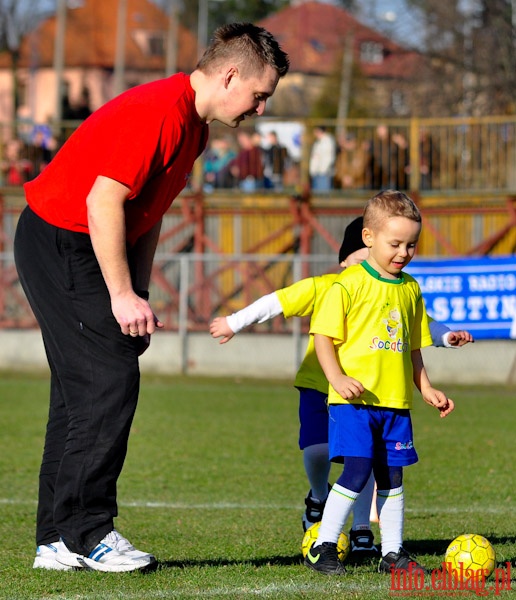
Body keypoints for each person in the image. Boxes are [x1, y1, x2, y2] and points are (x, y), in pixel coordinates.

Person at [14, 22, 289, 573]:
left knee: (78, 393)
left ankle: (56, 539)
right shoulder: (162, 110)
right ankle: (87, 533)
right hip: (64, 238)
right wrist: (119, 294)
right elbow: (103, 202)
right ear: (230, 75)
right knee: (107, 381)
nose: (261, 109)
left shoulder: (195, 127)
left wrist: (136, 291)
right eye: (260, 95)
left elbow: (148, 215)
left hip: (80, 241)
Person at [209, 215, 472, 557]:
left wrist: (447, 338)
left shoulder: (400, 287)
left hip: (369, 394)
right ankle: (318, 496)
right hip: (321, 388)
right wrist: (233, 321)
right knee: (321, 453)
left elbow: (417, 326)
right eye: (363, 256)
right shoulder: (331, 287)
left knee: (359, 462)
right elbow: (277, 301)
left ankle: (362, 529)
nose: (373, 263)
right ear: (345, 259)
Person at [305, 190, 454, 576]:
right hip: (353, 402)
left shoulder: (410, 289)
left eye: (411, 244)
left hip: (395, 404)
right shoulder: (348, 285)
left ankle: (393, 553)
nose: (403, 252)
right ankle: (325, 546)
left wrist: (427, 389)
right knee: (357, 471)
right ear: (368, 238)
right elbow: (323, 337)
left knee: (393, 476)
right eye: (395, 243)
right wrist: (336, 377)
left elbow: (413, 349)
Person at [309, 125, 337, 192]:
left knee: (323, 194)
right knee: (316, 193)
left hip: (323, 173)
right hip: (317, 172)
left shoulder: (327, 142)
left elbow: (329, 158)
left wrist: (322, 170)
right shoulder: (319, 142)